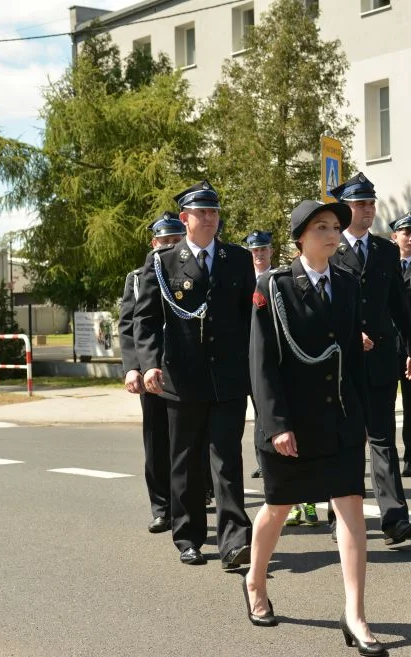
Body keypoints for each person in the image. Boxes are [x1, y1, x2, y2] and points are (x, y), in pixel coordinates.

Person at [246, 200, 387, 657]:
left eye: (335, 227)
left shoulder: (347, 283)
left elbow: (351, 357)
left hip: (339, 419)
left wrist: (363, 416)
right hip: (292, 423)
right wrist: (277, 425)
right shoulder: (274, 287)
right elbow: (261, 364)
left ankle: (356, 614)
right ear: (300, 238)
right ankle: (255, 579)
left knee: (350, 509)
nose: (332, 234)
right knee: (278, 508)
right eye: (322, 227)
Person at [134, 180, 255, 570]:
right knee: (184, 461)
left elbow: (250, 318)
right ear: (184, 218)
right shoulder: (164, 263)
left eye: (214, 212)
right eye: (202, 213)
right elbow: (146, 319)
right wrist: (149, 362)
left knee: (227, 458)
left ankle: (236, 539)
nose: (210, 219)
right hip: (182, 380)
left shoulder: (237, 259)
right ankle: (188, 536)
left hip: (229, 379)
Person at [330, 172, 411, 546]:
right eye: (360, 204)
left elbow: (400, 308)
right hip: (343, 365)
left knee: (383, 439)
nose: (368, 209)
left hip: (384, 359)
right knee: (346, 441)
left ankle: (394, 519)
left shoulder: (385, 250)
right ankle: (342, 518)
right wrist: (350, 335)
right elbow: (323, 308)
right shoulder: (331, 249)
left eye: (371, 203)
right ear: (345, 209)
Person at [119, 211, 186, 534]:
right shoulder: (137, 277)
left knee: (187, 442)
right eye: (164, 240)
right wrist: (133, 367)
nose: (170, 245)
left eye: (176, 239)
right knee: (157, 441)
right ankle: (161, 507)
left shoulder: (191, 270)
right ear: (153, 243)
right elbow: (130, 325)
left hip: (186, 369)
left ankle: (188, 501)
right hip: (152, 370)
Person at [391, 212, 411, 478]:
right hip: (389, 344)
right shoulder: (388, 265)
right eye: (406, 233)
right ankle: (388, 455)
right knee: (386, 403)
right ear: (395, 237)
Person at [246, 230, 272, 481]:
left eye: (263, 249)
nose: (259, 254)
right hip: (247, 354)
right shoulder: (244, 280)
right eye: (255, 250)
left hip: (272, 354)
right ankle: (262, 460)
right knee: (257, 412)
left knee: (269, 408)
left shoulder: (278, 278)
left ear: (271, 251)